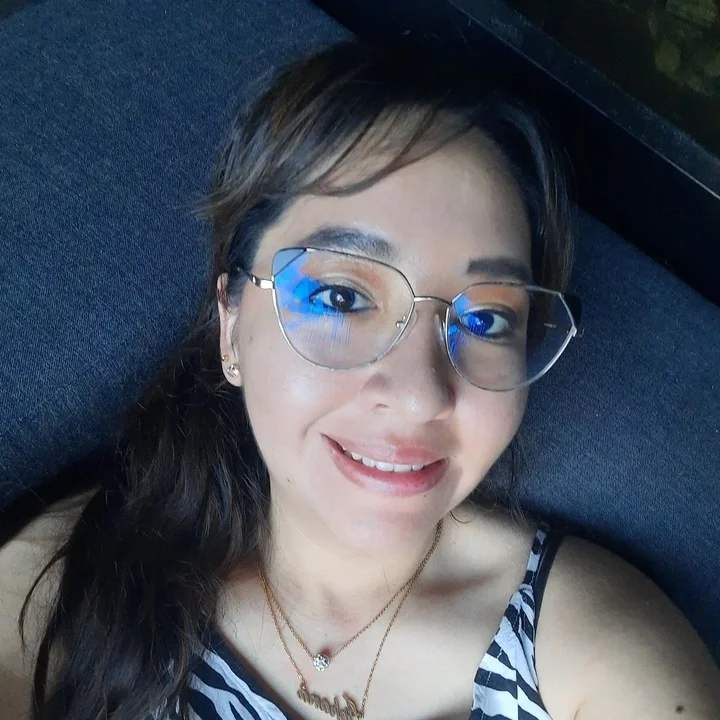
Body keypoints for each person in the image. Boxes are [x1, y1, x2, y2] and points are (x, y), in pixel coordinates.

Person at [1, 40, 719, 720]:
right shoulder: (78, 567)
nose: (420, 396)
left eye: (487, 319)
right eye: (341, 297)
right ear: (231, 328)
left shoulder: (591, 648)